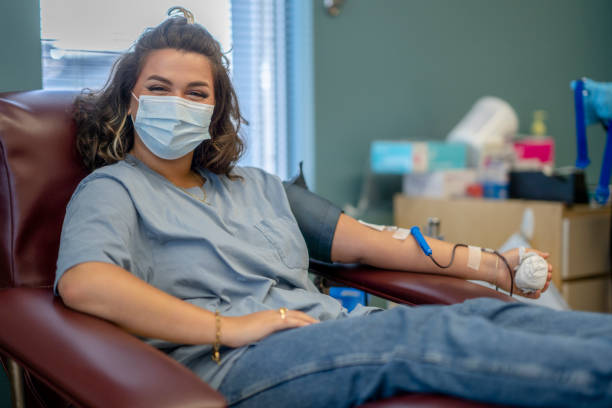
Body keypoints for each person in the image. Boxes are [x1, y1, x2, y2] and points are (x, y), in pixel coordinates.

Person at [54, 11, 612, 408]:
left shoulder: (254, 187)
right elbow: (85, 282)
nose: (178, 104)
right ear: (132, 97)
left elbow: (372, 240)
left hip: (333, 331)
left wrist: (495, 265)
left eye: (196, 93)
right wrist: (230, 327)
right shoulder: (113, 190)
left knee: (487, 315)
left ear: (216, 107)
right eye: (160, 87)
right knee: (431, 340)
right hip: (237, 364)